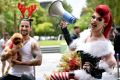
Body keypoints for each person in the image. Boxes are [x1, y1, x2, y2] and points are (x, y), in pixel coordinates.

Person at [49, 4, 117, 80]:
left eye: (99, 19)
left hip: (93, 78)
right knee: (54, 76)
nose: (94, 20)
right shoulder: (86, 34)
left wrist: (95, 69)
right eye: (93, 17)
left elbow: (113, 62)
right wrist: (64, 29)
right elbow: (72, 46)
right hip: (81, 76)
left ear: (105, 24)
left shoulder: (102, 42)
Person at [0, 2, 42, 80]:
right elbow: (2, 58)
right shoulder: (11, 41)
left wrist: (20, 63)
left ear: (30, 28)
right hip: (12, 75)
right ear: (19, 27)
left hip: (27, 76)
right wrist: (13, 51)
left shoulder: (33, 43)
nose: (24, 28)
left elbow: (39, 61)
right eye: (22, 26)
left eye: (26, 26)